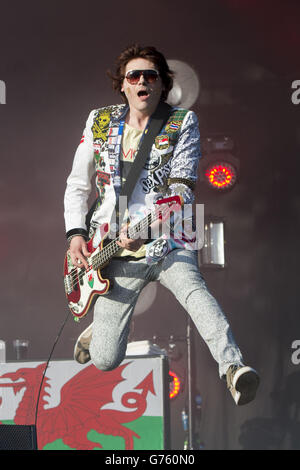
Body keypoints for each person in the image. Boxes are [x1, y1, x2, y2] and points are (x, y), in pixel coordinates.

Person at [64, 44, 259, 406]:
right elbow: (78, 184)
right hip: (111, 247)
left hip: (169, 235)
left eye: (150, 75)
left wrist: (145, 226)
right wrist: (76, 236)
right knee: (106, 360)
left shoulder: (182, 121)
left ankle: (233, 368)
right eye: (134, 76)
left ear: (162, 84)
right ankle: (104, 330)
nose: (142, 81)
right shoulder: (99, 120)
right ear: (122, 85)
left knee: (195, 292)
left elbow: (183, 187)